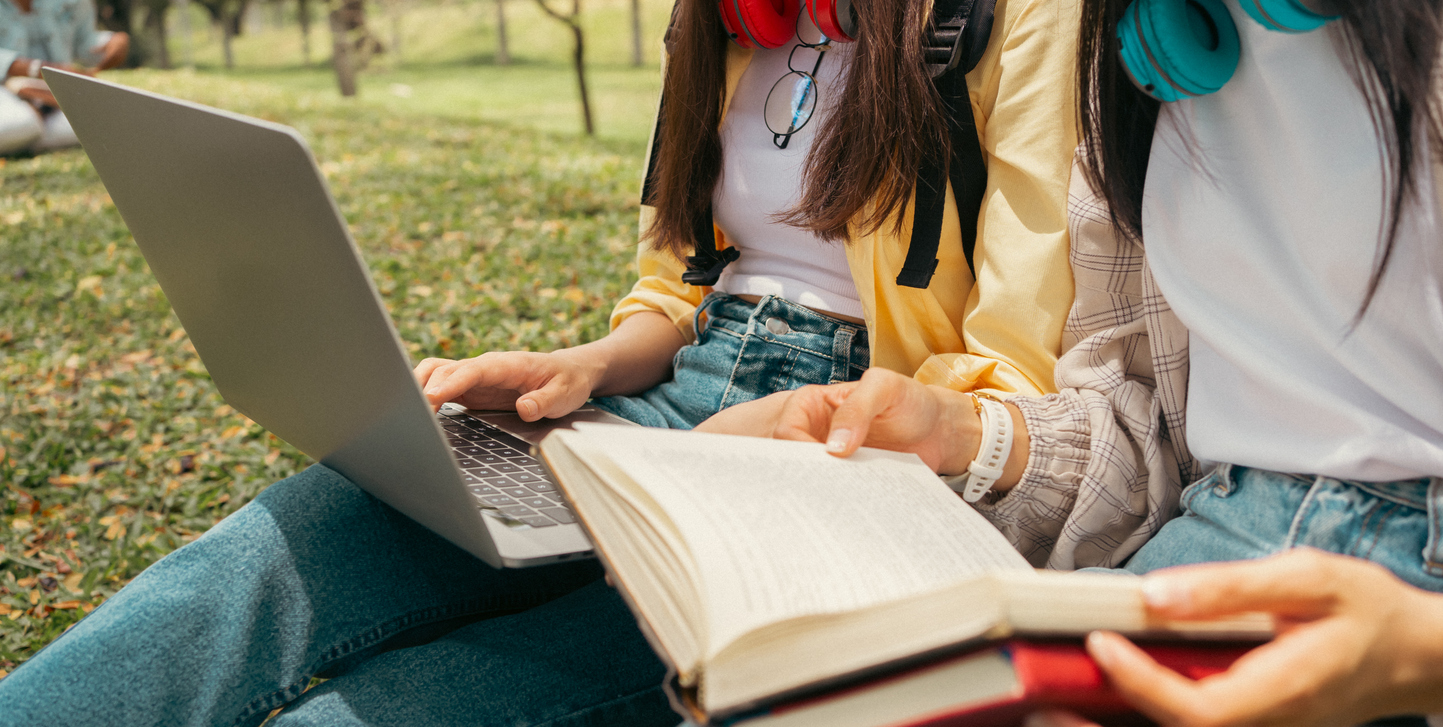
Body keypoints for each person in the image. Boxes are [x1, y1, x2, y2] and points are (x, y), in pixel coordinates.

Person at [0, 0, 1102, 723]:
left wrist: (810, 428)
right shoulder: (726, 17)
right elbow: (678, 281)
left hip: (839, 461)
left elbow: (1010, 363)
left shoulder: (1019, 16)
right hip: (657, 416)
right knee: (256, 561)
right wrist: (581, 366)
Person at [704, 0, 1443, 721]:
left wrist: (1419, 653)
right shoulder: (1134, 51)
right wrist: (960, 435)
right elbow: (1143, 430)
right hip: (1217, 540)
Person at [0, 0, 128, 156]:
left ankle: (24, 137)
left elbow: (85, 41)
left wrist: (113, 42)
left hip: (56, 93)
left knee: (110, 124)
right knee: (25, 124)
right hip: (5, 88)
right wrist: (35, 69)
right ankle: (28, 130)